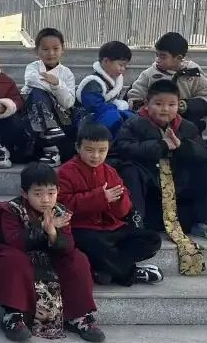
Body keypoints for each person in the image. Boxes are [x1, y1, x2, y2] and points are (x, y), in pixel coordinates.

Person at [111, 79, 207, 276]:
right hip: (150, 187)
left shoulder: (187, 127)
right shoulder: (133, 124)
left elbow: (204, 153)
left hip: (178, 184)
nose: (165, 109)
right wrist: (160, 146)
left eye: (172, 104)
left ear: (179, 105)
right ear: (146, 103)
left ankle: (206, 221)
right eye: (159, 104)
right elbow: (122, 149)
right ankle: (135, 221)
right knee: (129, 171)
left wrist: (182, 146)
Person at [0, 163, 105, 343]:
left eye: (51, 193)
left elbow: (67, 246)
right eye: (38, 194)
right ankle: (14, 315)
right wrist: (41, 228)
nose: (46, 200)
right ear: (24, 193)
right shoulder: (11, 209)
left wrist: (53, 233)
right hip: (21, 258)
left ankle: (78, 316)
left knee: (78, 259)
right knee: (12, 259)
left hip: (50, 258)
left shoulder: (60, 212)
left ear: (58, 191)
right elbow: (14, 241)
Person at [57, 122, 163, 286]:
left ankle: (105, 269)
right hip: (82, 229)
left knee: (151, 239)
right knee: (90, 242)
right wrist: (100, 198)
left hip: (110, 228)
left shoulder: (110, 171)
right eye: (89, 150)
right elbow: (62, 204)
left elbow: (123, 212)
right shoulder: (65, 172)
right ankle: (131, 273)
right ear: (78, 148)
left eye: (102, 151)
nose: (96, 156)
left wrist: (120, 200)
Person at [127, 32, 207, 126]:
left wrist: (185, 106)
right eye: (157, 55)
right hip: (152, 123)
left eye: (163, 56)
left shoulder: (194, 75)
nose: (157, 59)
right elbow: (134, 96)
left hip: (184, 123)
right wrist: (150, 107)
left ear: (178, 58)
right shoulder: (149, 75)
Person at [23, 27, 76, 166]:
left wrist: (57, 83)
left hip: (58, 114)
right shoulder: (32, 67)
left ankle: (51, 139)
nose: (51, 53)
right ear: (36, 51)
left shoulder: (66, 73)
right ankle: (51, 141)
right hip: (31, 111)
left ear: (62, 49)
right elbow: (32, 81)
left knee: (40, 92)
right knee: (37, 92)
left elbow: (69, 102)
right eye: (45, 49)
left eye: (55, 48)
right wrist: (53, 87)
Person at [76, 41, 134, 137]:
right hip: (87, 120)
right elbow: (95, 106)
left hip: (104, 115)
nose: (123, 69)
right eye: (121, 65)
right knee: (113, 116)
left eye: (125, 66)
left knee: (132, 116)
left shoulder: (114, 80)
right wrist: (119, 107)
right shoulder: (93, 82)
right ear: (106, 61)